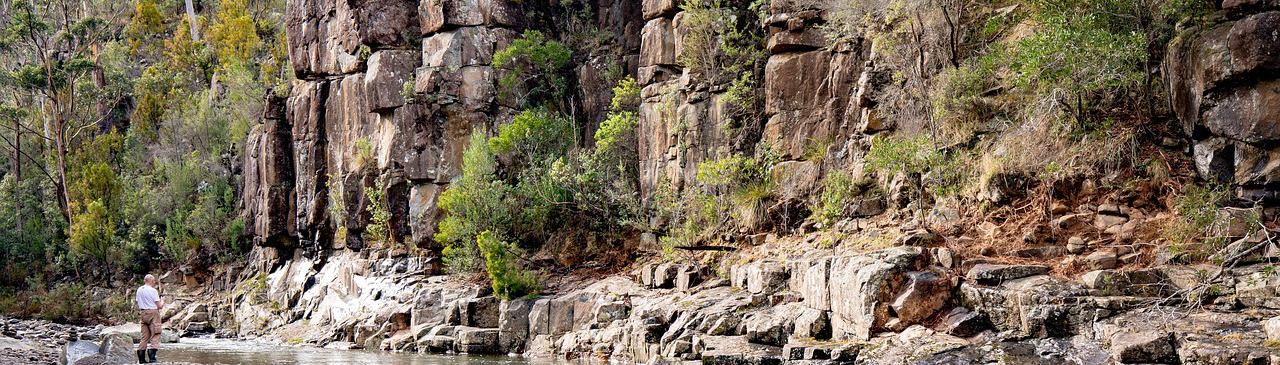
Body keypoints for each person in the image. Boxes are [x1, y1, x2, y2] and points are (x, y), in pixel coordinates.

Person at [135, 274, 164, 363]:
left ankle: (142, 359)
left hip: (143, 313)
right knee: (156, 333)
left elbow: (137, 301)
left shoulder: (139, 290)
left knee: (144, 336)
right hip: (153, 313)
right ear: (151, 281)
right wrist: (163, 300)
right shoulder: (153, 290)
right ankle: (152, 358)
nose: (154, 282)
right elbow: (159, 306)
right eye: (154, 281)